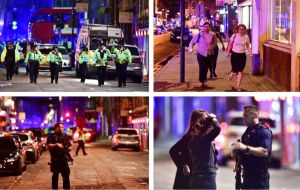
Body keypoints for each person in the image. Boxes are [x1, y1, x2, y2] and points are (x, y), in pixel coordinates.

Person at [169, 110, 220, 189]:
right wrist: (184, 165)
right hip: (189, 176)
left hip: (197, 175)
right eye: (203, 119)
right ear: (196, 121)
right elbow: (173, 151)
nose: (205, 122)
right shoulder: (190, 137)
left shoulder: (204, 136)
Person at [231, 105, 272, 189]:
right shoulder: (247, 132)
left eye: (246, 116)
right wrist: (236, 152)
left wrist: (245, 148)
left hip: (259, 178)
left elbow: (264, 152)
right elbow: (243, 151)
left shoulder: (264, 131)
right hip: (247, 177)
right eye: (243, 116)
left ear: (255, 115)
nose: (244, 119)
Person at [47, 123, 73, 190]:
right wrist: (56, 145)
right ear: (57, 128)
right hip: (55, 160)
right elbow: (48, 145)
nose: (62, 128)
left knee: (66, 176)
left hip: (64, 160)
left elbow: (69, 144)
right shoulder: (51, 136)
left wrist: (69, 148)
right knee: (55, 176)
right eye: (61, 127)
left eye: (62, 127)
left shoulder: (65, 136)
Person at [188, 22, 214, 88]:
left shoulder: (212, 34)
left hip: (208, 54)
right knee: (202, 68)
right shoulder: (200, 34)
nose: (206, 28)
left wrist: (211, 47)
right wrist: (190, 48)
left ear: (210, 27)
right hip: (201, 53)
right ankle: (201, 81)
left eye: (208, 27)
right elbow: (192, 41)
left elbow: (212, 43)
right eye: (205, 27)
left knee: (206, 69)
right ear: (203, 27)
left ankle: (204, 81)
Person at [226, 24, 251, 91]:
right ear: (238, 30)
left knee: (240, 71)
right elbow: (230, 45)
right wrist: (228, 52)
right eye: (240, 29)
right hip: (234, 54)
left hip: (242, 55)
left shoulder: (246, 37)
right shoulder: (234, 36)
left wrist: (250, 53)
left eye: (243, 29)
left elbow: (248, 46)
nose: (241, 31)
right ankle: (232, 73)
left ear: (245, 30)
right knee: (235, 69)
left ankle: (238, 86)